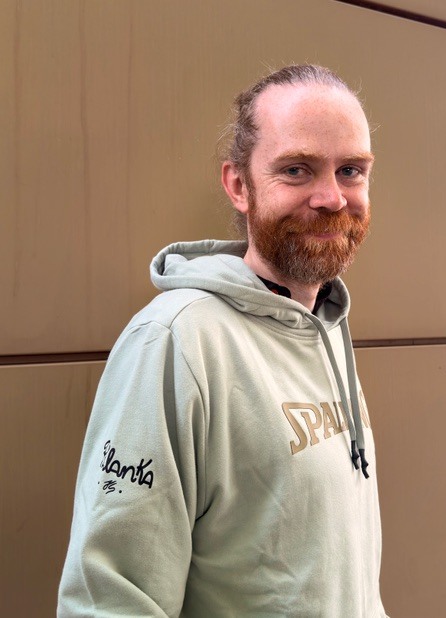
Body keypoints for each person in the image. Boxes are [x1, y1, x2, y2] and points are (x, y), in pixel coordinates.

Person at [58, 64, 388, 617]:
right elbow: (109, 599)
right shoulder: (174, 343)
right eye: (297, 169)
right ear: (239, 185)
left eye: (351, 170)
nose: (332, 197)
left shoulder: (325, 326)